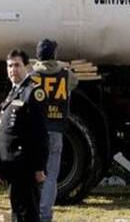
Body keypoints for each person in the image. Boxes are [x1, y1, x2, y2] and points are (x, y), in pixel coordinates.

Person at [0, 49, 49, 222]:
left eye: (17, 65)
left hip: (25, 166)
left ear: (27, 67)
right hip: (13, 166)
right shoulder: (13, 92)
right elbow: (4, 133)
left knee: (28, 213)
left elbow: (39, 134)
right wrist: (1, 166)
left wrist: (39, 167)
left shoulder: (32, 92)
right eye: (10, 66)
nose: (13, 70)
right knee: (17, 211)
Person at [31, 39, 78, 222]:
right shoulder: (66, 75)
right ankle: (45, 215)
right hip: (56, 129)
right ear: (55, 55)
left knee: (34, 173)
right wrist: (60, 65)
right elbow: (75, 82)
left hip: (36, 131)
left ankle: (34, 211)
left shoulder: (32, 75)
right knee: (51, 176)